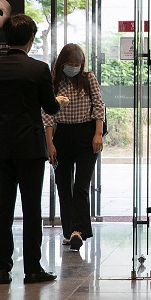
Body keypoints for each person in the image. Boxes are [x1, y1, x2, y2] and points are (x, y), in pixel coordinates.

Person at [0, 14, 68, 285]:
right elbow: (50, 107)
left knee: (3, 208)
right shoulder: (38, 69)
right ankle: (32, 268)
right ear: (31, 39)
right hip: (29, 147)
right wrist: (60, 101)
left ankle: (4, 269)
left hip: (1, 145)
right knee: (31, 209)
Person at [43, 43, 105, 253]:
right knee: (63, 185)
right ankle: (69, 231)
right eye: (70, 64)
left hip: (86, 135)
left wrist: (97, 134)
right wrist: (49, 143)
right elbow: (48, 115)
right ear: (62, 63)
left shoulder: (88, 79)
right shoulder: (53, 81)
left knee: (81, 186)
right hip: (62, 136)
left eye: (77, 64)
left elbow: (98, 105)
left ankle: (78, 230)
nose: (74, 68)